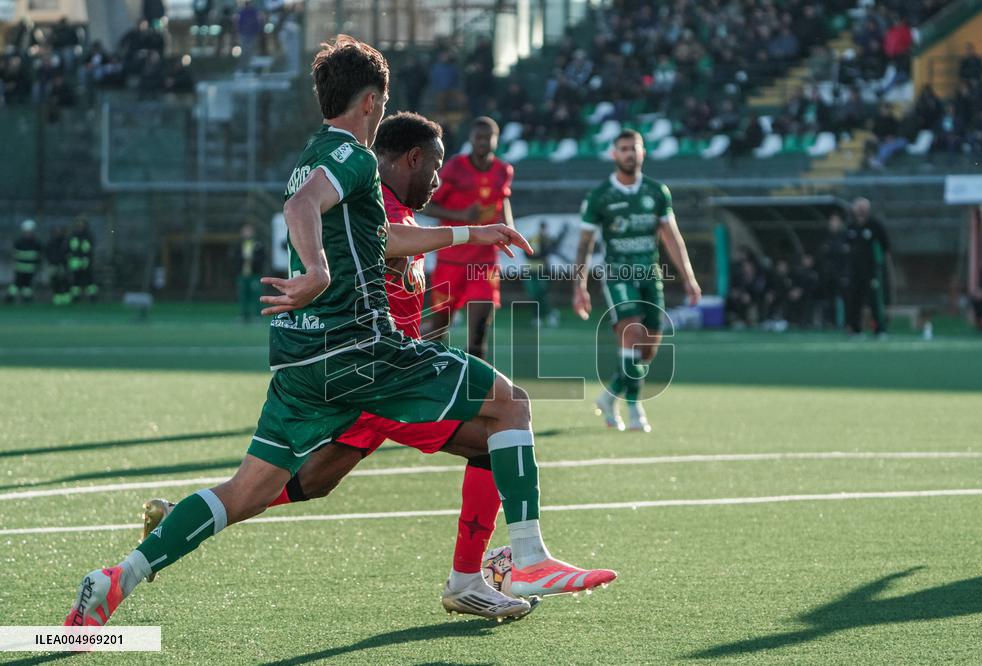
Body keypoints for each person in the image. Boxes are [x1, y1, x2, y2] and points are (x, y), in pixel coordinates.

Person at [64, 35, 615, 628]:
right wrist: (318, 272)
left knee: (243, 492)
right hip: (361, 348)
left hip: (301, 364)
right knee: (512, 406)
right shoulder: (353, 155)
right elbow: (301, 208)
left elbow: (379, 236)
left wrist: (469, 236)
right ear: (373, 102)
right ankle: (528, 556)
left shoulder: (313, 154)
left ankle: (117, 579)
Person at [143, 112, 538, 620]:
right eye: (433, 166)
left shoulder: (399, 205)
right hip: (380, 371)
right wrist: (469, 233)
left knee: (312, 481)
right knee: (492, 437)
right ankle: (468, 578)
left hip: (378, 370)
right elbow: (378, 239)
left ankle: (182, 521)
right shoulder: (373, 200)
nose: (437, 180)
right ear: (409, 160)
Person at [573, 130, 700, 432]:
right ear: (614, 154)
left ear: (643, 153)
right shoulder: (600, 196)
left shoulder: (657, 192)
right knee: (631, 330)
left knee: (647, 349)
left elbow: (672, 237)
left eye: (635, 148)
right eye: (624, 149)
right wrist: (579, 286)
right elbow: (584, 244)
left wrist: (689, 278)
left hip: (649, 275)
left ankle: (609, 395)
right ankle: (634, 409)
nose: (630, 154)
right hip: (618, 275)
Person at [423, 117, 514, 359]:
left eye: (488, 137)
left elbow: (502, 200)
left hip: (484, 263)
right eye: (478, 137)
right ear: (471, 139)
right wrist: (459, 215)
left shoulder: (503, 171)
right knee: (438, 329)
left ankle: (474, 393)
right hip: (451, 261)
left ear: (496, 140)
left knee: (479, 335)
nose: (483, 142)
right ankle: (410, 365)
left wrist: (509, 229)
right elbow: (427, 205)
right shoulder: (454, 168)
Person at [845, 198, 891, 337]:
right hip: (854, 270)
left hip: (871, 270)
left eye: (863, 208)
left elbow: (885, 245)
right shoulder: (851, 226)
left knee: (874, 301)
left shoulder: (874, 225)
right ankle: (855, 329)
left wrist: (882, 263)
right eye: (858, 207)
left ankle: (879, 330)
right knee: (855, 300)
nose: (860, 211)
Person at [819, 213, 850, 328]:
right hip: (829, 274)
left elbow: (844, 253)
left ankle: (847, 322)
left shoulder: (845, 236)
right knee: (828, 299)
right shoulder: (826, 236)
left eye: (835, 221)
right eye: (831, 221)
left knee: (845, 299)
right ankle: (829, 322)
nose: (832, 223)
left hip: (842, 274)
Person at [235, 224, 268, 323]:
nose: (247, 233)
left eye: (249, 231)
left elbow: (263, 258)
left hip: (255, 274)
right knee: (243, 295)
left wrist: (253, 260)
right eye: (245, 231)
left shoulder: (258, 244)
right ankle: (244, 315)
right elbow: (235, 258)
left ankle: (258, 315)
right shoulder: (239, 244)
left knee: (257, 295)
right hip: (243, 274)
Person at [6, 219, 42, 304]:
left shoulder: (36, 243)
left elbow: (39, 256)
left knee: (27, 285)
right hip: (20, 267)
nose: (28, 233)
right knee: (17, 284)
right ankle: (10, 297)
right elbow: (14, 254)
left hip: (30, 268)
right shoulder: (19, 242)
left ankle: (26, 298)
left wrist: (38, 265)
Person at [67, 216, 97, 302]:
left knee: (89, 279)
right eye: (78, 225)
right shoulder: (72, 235)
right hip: (75, 261)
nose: (80, 226)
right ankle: (75, 297)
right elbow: (69, 248)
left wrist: (88, 259)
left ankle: (92, 296)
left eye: (81, 224)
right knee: (76, 280)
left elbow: (90, 249)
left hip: (85, 260)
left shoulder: (88, 236)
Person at [46, 225, 71, 306]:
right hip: (53, 264)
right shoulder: (51, 242)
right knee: (55, 281)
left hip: (62, 264)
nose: (58, 233)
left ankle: (65, 297)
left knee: (64, 280)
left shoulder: (65, 242)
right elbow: (48, 253)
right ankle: (57, 297)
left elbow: (67, 253)